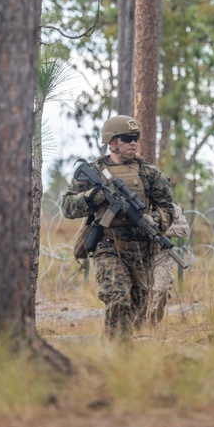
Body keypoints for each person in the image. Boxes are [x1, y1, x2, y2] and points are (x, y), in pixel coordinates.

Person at [62, 115, 175, 341]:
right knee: (117, 296)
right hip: (107, 246)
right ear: (112, 142)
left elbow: (167, 208)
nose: (133, 142)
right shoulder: (94, 170)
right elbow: (67, 206)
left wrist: (155, 219)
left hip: (141, 249)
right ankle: (113, 353)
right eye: (127, 138)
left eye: (135, 138)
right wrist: (91, 197)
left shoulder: (149, 173)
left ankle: (122, 351)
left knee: (136, 305)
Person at [146, 203, 189, 325]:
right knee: (141, 295)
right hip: (139, 255)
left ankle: (152, 323)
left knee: (162, 290)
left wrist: (160, 231)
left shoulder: (171, 208)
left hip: (162, 256)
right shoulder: (139, 202)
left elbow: (184, 229)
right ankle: (138, 325)